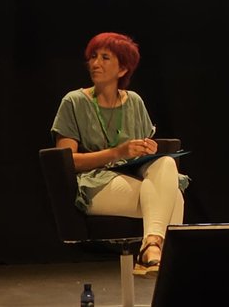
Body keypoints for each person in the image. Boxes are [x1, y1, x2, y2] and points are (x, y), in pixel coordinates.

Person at [51, 32, 187, 272]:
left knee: (165, 163)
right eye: (93, 57)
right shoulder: (74, 102)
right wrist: (117, 152)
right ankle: (162, 260)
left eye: (105, 58)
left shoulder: (134, 102)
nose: (95, 63)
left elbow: (144, 152)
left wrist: (147, 148)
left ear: (122, 70)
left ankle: (152, 249)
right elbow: (66, 162)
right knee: (173, 198)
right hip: (94, 184)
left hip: (132, 177)